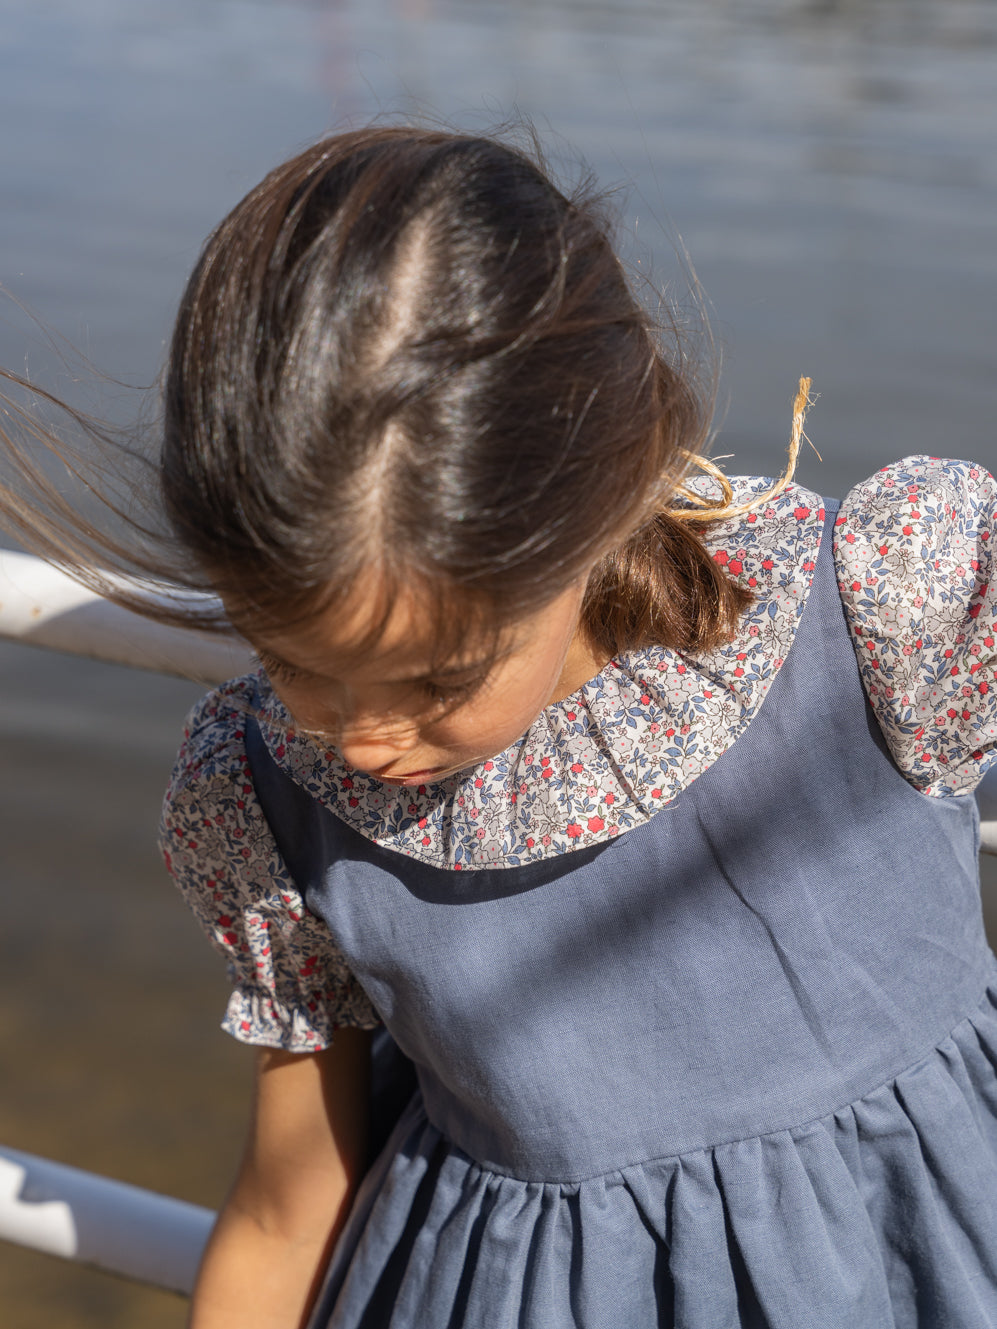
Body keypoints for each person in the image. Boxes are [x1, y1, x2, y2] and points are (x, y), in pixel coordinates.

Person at [5, 126, 997, 1328]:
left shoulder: (881, 610)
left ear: (602, 501)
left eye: (438, 681)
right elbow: (285, 1205)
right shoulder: (264, 799)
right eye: (291, 666)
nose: (361, 739)